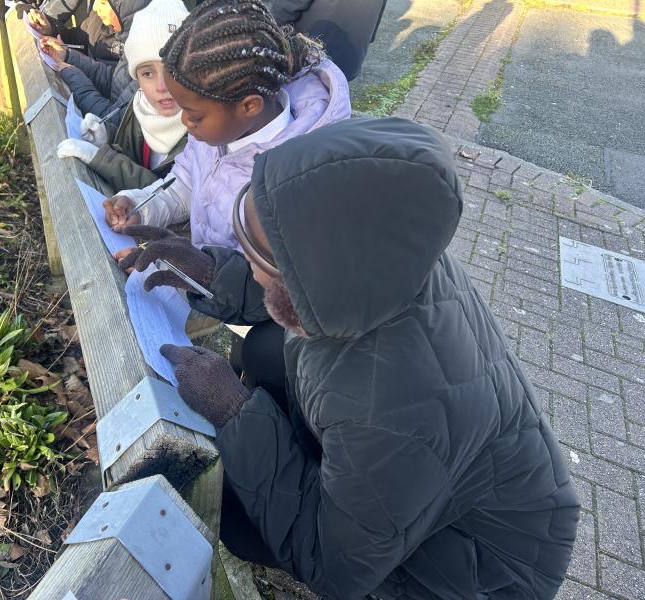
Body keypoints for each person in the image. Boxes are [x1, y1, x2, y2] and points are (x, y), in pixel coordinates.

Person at [120, 117, 580, 599]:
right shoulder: (386, 256)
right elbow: (301, 285)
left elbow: (331, 563)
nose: (247, 257)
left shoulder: (390, 408)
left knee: (237, 517)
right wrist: (209, 272)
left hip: (478, 569)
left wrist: (235, 413)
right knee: (262, 350)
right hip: (429, 470)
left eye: (259, 252)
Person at [103, 0, 351, 255]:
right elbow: (183, 185)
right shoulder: (215, 130)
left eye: (195, 115)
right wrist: (139, 206)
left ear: (249, 106)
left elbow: (263, 274)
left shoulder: (292, 183)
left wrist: (180, 267)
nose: (185, 122)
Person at [56, 0, 190, 191]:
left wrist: (102, 159)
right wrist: (108, 136)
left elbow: (171, 195)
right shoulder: (143, 102)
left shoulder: (199, 132)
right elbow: (136, 150)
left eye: (172, 71)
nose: (161, 87)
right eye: (147, 73)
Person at [39, 0, 153, 124]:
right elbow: (112, 80)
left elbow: (110, 120)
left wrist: (70, 72)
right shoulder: (135, 43)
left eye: (103, 3)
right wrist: (67, 55)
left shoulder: (148, 63)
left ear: (128, 9)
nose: (95, 7)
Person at [272, 0, 387, 81]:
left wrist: (270, 32)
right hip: (349, 54)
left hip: (309, 55)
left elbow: (286, 6)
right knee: (335, 95)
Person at [26, 0, 123, 63]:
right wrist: (50, 29)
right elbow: (74, 39)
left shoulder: (129, 50)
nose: (94, 7)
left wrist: (69, 59)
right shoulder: (97, 19)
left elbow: (108, 81)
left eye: (103, 3)